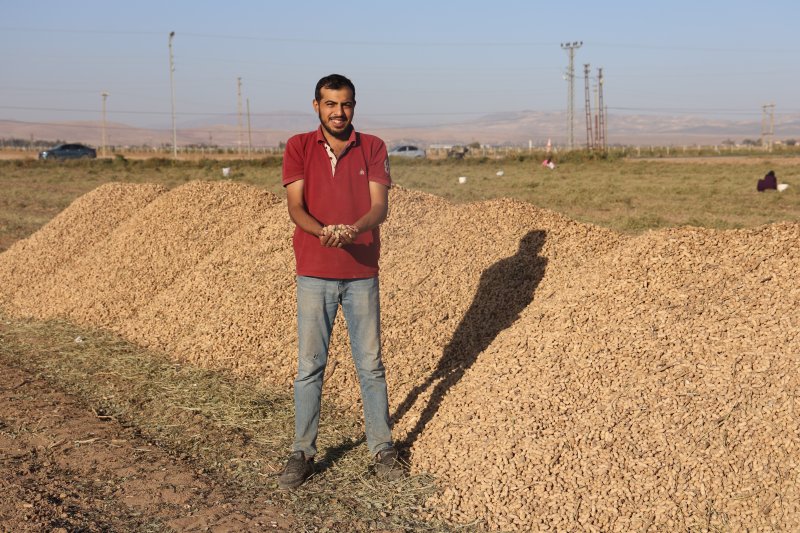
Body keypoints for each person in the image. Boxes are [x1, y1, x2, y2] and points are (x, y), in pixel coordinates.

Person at [278, 74, 403, 490]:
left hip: (362, 273)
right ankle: (302, 451)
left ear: (354, 106)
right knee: (310, 366)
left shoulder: (374, 147)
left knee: (371, 365)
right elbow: (295, 206)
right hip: (314, 272)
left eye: (346, 104)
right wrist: (321, 232)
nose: (338, 112)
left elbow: (379, 207)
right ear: (316, 105)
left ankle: (382, 447)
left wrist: (352, 229)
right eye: (330, 104)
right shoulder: (298, 146)